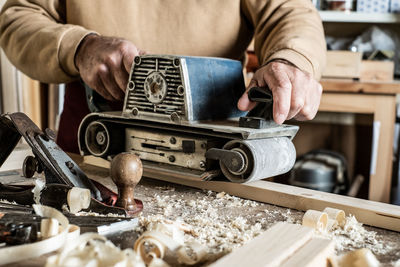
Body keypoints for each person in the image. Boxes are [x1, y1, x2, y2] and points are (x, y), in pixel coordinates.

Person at [0, 0, 326, 153]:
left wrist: (292, 59)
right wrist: (80, 46)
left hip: (215, 143)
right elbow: (19, 16)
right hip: (95, 140)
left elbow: (289, 10)